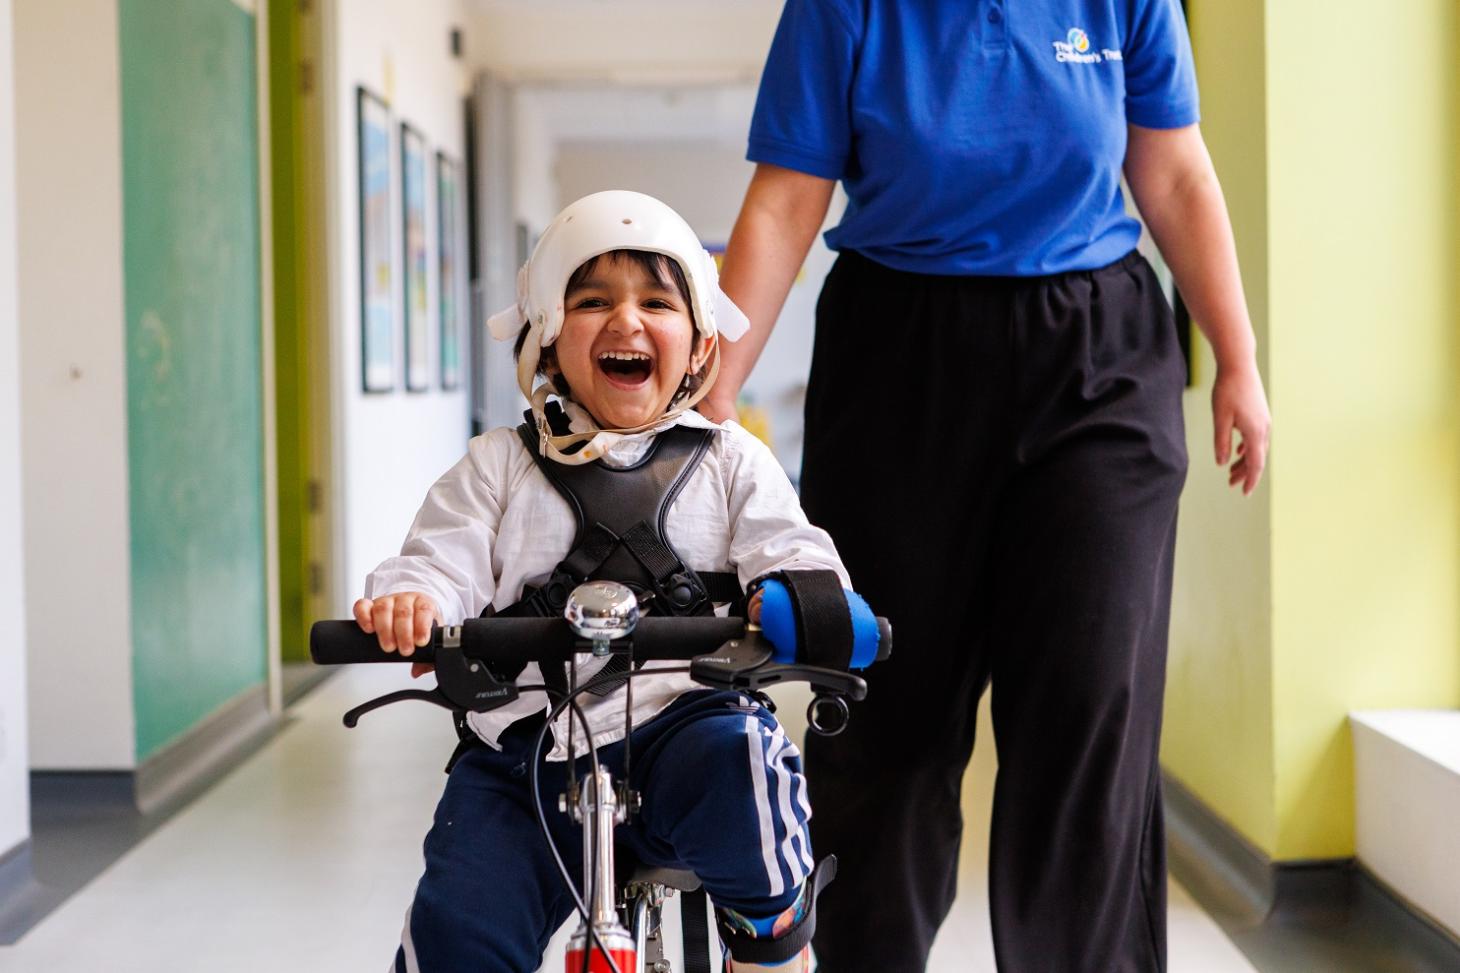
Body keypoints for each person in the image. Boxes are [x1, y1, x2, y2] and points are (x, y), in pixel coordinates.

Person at [703, 2, 1272, 971]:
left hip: (1095, 355)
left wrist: (1237, 358)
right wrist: (710, 404)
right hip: (899, 355)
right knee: (887, 717)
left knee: (1086, 713)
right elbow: (784, 200)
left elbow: (1173, 169)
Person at [354, 191, 858, 973]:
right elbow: (441, 555)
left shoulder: (731, 459)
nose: (626, 320)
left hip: (687, 721)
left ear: (699, 343)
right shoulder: (499, 464)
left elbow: (792, 548)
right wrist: (416, 599)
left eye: (657, 302)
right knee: (458, 927)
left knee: (747, 771)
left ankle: (771, 949)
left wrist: (800, 596)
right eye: (592, 302)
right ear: (547, 338)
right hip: (529, 747)